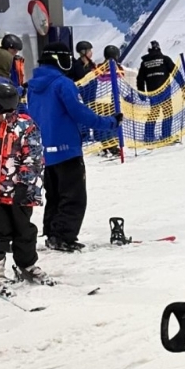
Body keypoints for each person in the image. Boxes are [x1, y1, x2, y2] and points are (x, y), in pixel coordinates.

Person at [26, 42, 122, 252]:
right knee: (74, 196)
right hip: (67, 150)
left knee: (55, 195)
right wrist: (110, 123)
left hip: (45, 151)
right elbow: (80, 113)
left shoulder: (33, 86)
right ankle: (63, 236)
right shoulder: (62, 84)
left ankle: (53, 233)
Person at [0, 81, 50, 290]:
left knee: (24, 229)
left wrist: (26, 184)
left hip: (19, 190)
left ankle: (26, 264)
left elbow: (33, 157)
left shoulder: (24, 126)